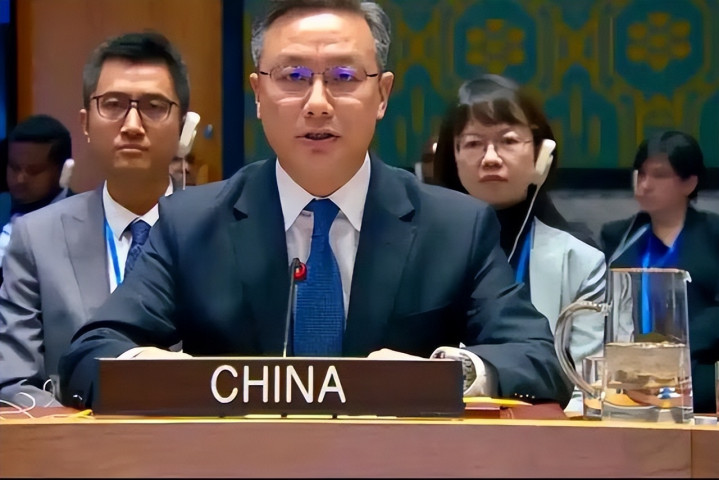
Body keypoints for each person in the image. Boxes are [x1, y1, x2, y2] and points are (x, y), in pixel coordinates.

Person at [60, 0, 572, 410]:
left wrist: (444, 375)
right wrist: (168, 375)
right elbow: (89, 354)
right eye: (293, 77)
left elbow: (537, 358)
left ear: (383, 95)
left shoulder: (454, 227)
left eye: (344, 77)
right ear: (258, 93)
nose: (318, 103)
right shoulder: (190, 223)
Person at [0, 31, 190, 407]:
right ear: (86, 123)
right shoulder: (35, 238)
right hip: (70, 439)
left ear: (182, 125)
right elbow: (12, 383)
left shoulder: (223, 231)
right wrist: (84, 433)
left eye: (153, 106)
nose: (132, 125)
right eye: (114, 104)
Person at [433, 74, 606, 411]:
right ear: (453, 155)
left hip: (549, 433)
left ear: (541, 154)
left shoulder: (580, 259)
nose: (491, 158)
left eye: (508, 141)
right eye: (473, 143)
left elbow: (590, 390)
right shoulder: (424, 249)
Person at [600, 131, 719, 414]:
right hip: (630, 371)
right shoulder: (618, 237)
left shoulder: (713, 234)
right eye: (641, 174)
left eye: (660, 175)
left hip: (698, 368)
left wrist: (677, 347)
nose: (645, 184)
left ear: (689, 182)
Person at [0, 115, 73, 267]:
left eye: (34, 171)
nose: (20, 179)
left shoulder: (86, 223)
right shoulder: (3, 205)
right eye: (14, 167)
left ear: (64, 170)